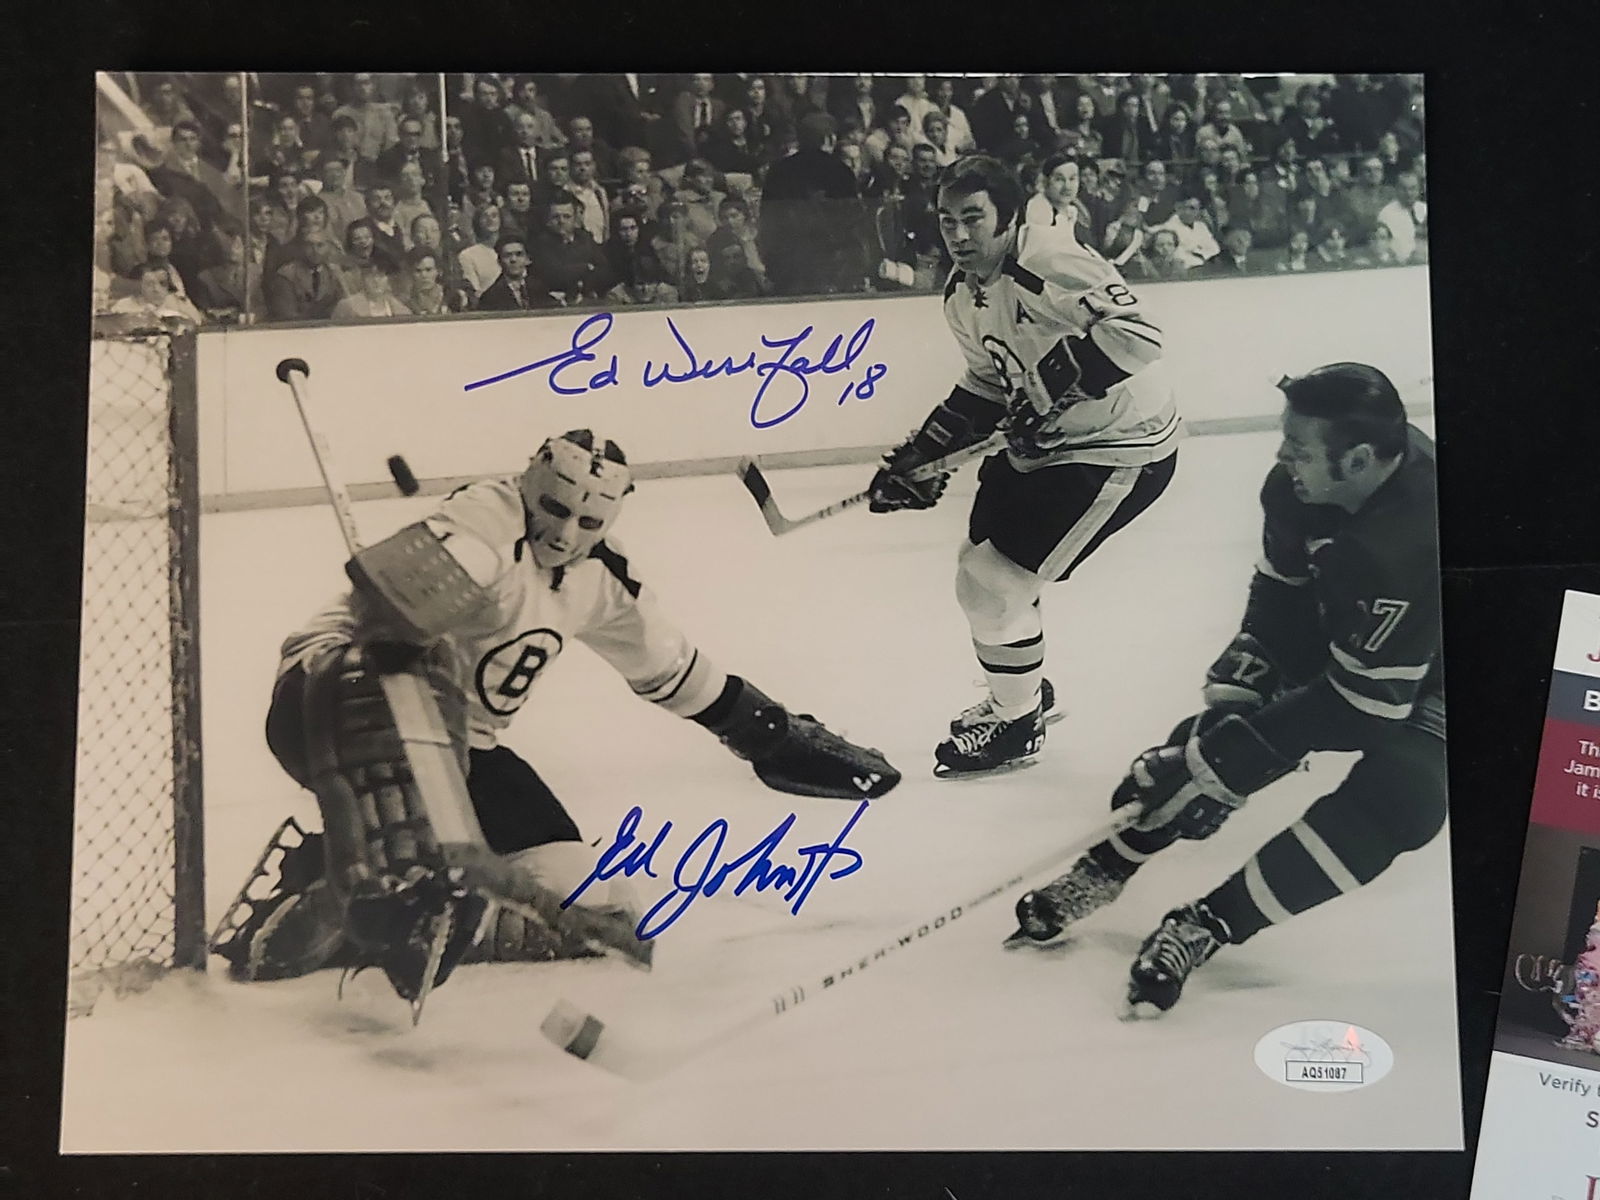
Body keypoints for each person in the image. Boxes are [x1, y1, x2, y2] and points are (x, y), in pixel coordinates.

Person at [210, 430, 900, 1002]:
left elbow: (680, 675)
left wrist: (770, 734)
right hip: (333, 693)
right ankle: (351, 881)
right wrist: (410, 607)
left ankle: (367, 904)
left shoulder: (604, 581)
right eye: (554, 507)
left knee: (585, 898)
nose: (565, 531)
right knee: (394, 772)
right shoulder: (488, 513)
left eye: (588, 522)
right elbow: (421, 576)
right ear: (528, 485)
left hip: (460, 747)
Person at [1007, 364, 1444, 1017]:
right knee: (1221, 736)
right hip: (1353, 635)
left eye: (1298, 448)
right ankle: (1106, 867)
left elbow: (1366, 711)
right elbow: (1281, 593)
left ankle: (1208, 923)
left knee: (1405, 798)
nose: (1282, 457)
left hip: (1436, 676)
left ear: (1356, 461)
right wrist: (1242, 689)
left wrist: (1235, 757)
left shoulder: (1412, 538)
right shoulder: (1295, 488)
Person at [866, 155, 1179, 777]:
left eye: (973, 218)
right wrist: (928, 452)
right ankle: (1023, 688)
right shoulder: (961, 293)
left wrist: (1051, 388)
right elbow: (987, 383)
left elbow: (1139, 335)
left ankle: (1016, 723)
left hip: (1117, 444)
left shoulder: (1049, 258)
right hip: (1049, 443)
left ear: (1007, 217)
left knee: (992, 585)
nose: (958, 234)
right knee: (979, 565)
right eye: (947, 220)